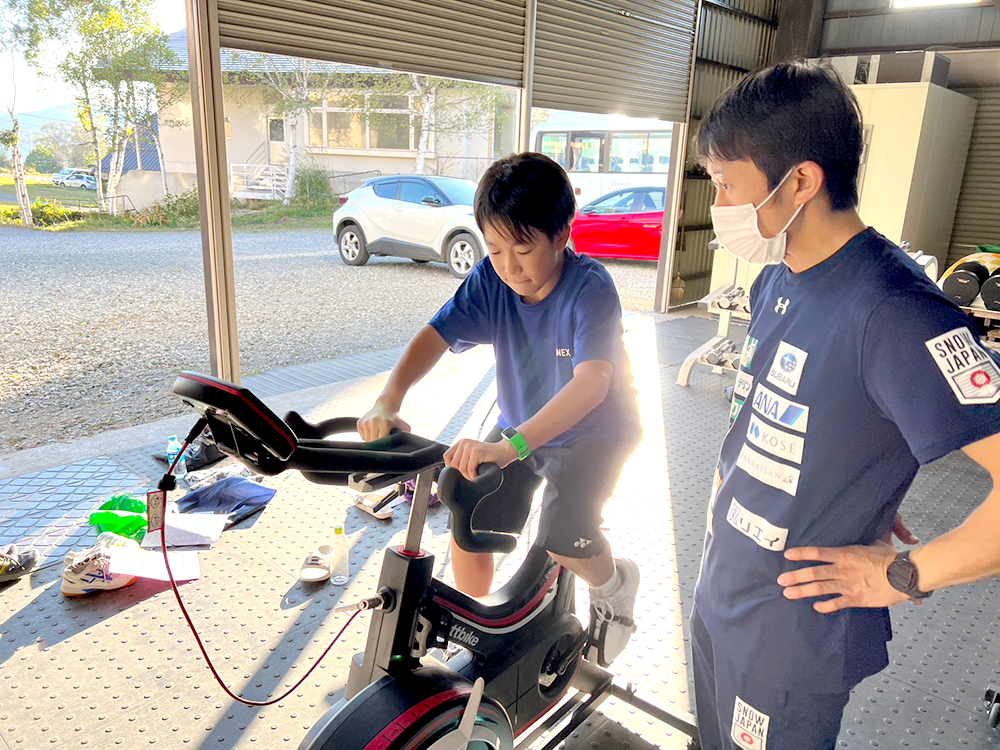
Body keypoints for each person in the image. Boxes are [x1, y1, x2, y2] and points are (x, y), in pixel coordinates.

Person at [691, 59, 1000, 750]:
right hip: (722, 597)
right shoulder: (778, 279)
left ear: (799, 180)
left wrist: (903, 575)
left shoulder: (894, 312)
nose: (719, 207)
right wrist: (860, 480)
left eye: (725, 185)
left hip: (788, 643)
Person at [358, 152, 643, 667]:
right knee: (464, 499)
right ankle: (480, 627)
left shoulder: (591, 287)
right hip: (520, 423)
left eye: (523, 248)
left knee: (564, 541)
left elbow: (593, 385)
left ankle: (615, 584)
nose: (509, 266)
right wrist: (388, 398)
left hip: (593, 432)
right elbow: (436, 333)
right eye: (493, 249)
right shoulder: (493, 279)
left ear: (562, 235)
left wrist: (507, 446)